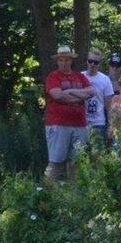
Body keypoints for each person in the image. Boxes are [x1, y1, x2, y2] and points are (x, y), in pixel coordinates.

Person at [44, 45, 95, 181]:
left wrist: (68, 92)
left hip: (79, 124)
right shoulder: (53, 77)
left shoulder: (79, 76)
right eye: (61, 60)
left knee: (76, 162)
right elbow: (57, 95)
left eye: (67, 60)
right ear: (57, 61)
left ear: (71, 60)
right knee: (55, 162)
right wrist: (79, 95)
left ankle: (74, 196)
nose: (64, 63)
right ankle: (48, 193)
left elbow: (91, 92)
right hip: (58, 124)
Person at [82, 49, 114, 141]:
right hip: (82, 122)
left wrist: (110, 126)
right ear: (87, 61)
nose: (92, 64)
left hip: (98, 123)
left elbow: (109, 107)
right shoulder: (80, 76)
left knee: (96, 154)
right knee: (80, 153)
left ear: (99, 64)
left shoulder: (105, 80)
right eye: (90, 61)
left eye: (95, 62)